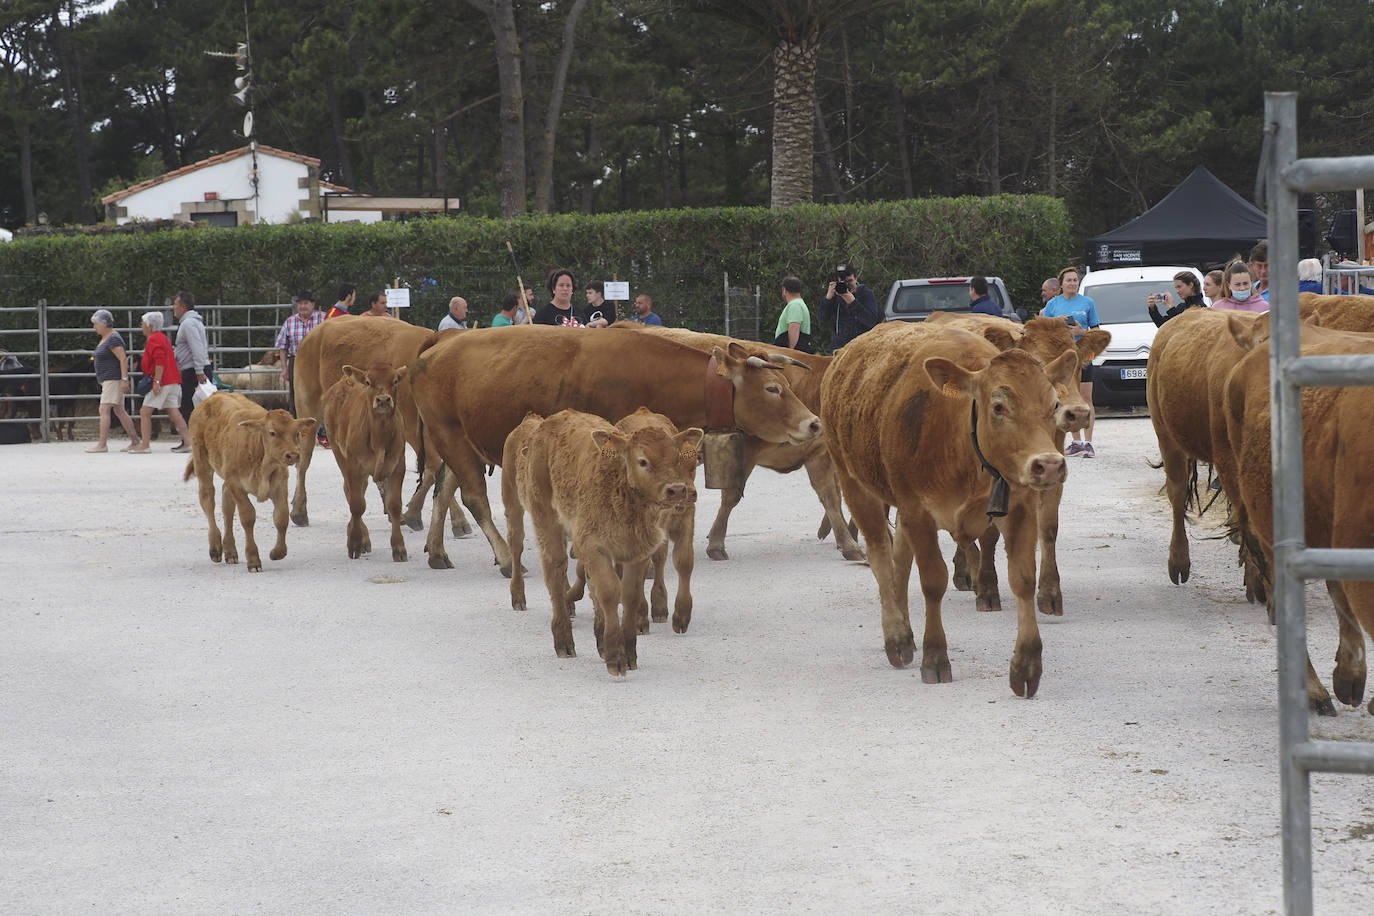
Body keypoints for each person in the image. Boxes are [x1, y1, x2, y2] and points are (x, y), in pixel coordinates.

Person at [1041, 266, 1101, 457]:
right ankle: (1076, 442)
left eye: (1075, 280)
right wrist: (1056, 324)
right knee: (1067, 398)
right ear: (1061, 284)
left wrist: (1081, 332)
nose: (1073, 283)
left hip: (1084, 355)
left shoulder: (1088, 302)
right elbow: (1043, 333)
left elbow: (1097, 331)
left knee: (1086, 398)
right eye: (1069, 280)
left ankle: (1089, 443)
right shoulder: (1052, 305)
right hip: (1062, 358)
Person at [131, 310, 190, 453]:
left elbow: (159, 361)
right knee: (174, 412)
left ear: (150, 326)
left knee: (145, 412)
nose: (141, 326)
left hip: (162, 381)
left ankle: (145, 445)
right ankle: (189, 442)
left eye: (143, 324)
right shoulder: (163, 338)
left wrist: (157, 381)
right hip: (172, 380)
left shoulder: (154, 339)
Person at [85, 309, 142, 453]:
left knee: (104, 409)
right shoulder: (107, 337)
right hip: (108, 378)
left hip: (113, 378)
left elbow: (123, 358)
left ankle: (102, 444)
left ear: (104, 323)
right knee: (119, 410)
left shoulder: (113, 338)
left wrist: (124, 379)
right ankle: (135, 440)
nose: (94, 327)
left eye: (96, 324)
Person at [275, 289, 325, 427]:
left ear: (312, 304)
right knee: (296, 395)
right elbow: (283, 347)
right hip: (296, 361)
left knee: (321, 393)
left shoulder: (323, 319)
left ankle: (321, 429)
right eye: (300, 303)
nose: (303, 306)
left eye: (306, 303)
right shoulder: (290, 322)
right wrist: (284, 368)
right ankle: (297, 427)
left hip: (318, 361)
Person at [171, 291, 211, 446]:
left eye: (176, 304)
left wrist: (199, 370)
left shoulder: (188, 324)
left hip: (193, 370)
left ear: (183, 306)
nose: (173, 307)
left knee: (188, 406)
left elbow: (197, 347)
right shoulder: (193, 322)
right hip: (195, 368)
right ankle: (194, 441)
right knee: (195, 405)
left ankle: (189, 441)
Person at [818, 263, 879, 351]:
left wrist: (853, 302)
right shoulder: (836, 295)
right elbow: (822, 318)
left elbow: (871, 321)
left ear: (856, 279)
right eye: (844, 282)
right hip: (840, 347)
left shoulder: (865, 293)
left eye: (850, 281)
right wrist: (828, 299)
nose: (847, 285)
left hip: (862, 346)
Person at [535, 269, 604, 327]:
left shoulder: (579, 313)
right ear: (553, 289)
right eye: (561, 285)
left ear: (572, 289)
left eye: (568, 286)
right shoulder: (543, 314)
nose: (565, 289)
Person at [773, 275, 813, 352]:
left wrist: (791, 352)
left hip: (791, 352)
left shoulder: (795, 305)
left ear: (784, 290)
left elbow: (794, 328)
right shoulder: (799, 303)